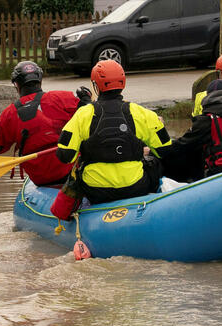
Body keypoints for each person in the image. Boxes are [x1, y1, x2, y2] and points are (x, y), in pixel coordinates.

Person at [51, 60, 171, 217]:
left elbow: (65, 156)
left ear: (96, 85)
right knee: (154, 162)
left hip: (96, 191)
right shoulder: (143, 113)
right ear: (123, 83)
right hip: (135, 187)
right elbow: (165, 150)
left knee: (79, 169)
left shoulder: (82, 115)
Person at [0, 61, 91, 187]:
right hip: (69, 170)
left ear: (17, 84)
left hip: (40, 178)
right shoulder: (61, 98)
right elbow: (89, 115)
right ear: (40, 80)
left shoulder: (9, 114)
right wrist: (86, 99)